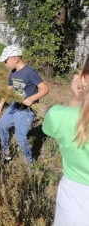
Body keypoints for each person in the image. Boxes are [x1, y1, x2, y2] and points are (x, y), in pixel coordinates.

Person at [42, 56, 89, 226]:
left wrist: (76, 99)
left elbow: (53, 127)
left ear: (82, 78)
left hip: (75, 197)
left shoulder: (59, 115)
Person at [0, 45, 49, 164]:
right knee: (1, 125)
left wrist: (32, 98)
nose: (5, 64)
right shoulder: (12, 73)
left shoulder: (29, 72)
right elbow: (7, 91)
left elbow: (44, 89)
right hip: (15, 105)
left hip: (27, 110)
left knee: (20, 139)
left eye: (6, 61)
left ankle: (29, 165)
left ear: (15, 59)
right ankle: (6, 151)